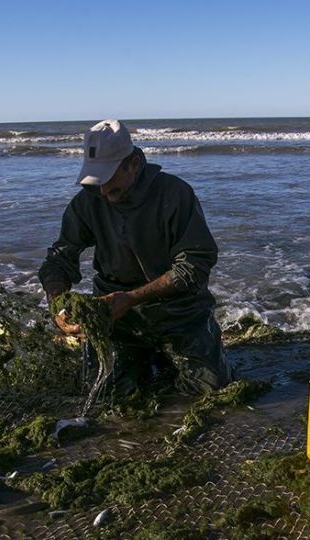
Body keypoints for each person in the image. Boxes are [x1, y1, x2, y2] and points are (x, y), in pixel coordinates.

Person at [38, 119, 234, 396]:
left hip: (180, 311)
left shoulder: (175, 194)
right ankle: (142, 358)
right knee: (102, 391)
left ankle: (169, 353)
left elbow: (194, 266)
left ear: (134, 163)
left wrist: (131, 298)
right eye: (97, 181)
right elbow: (58, 260)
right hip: (116, 318)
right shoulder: (87, 201)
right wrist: (57, 305)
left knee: (210, 388)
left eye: (110, 180)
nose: (104, 192)